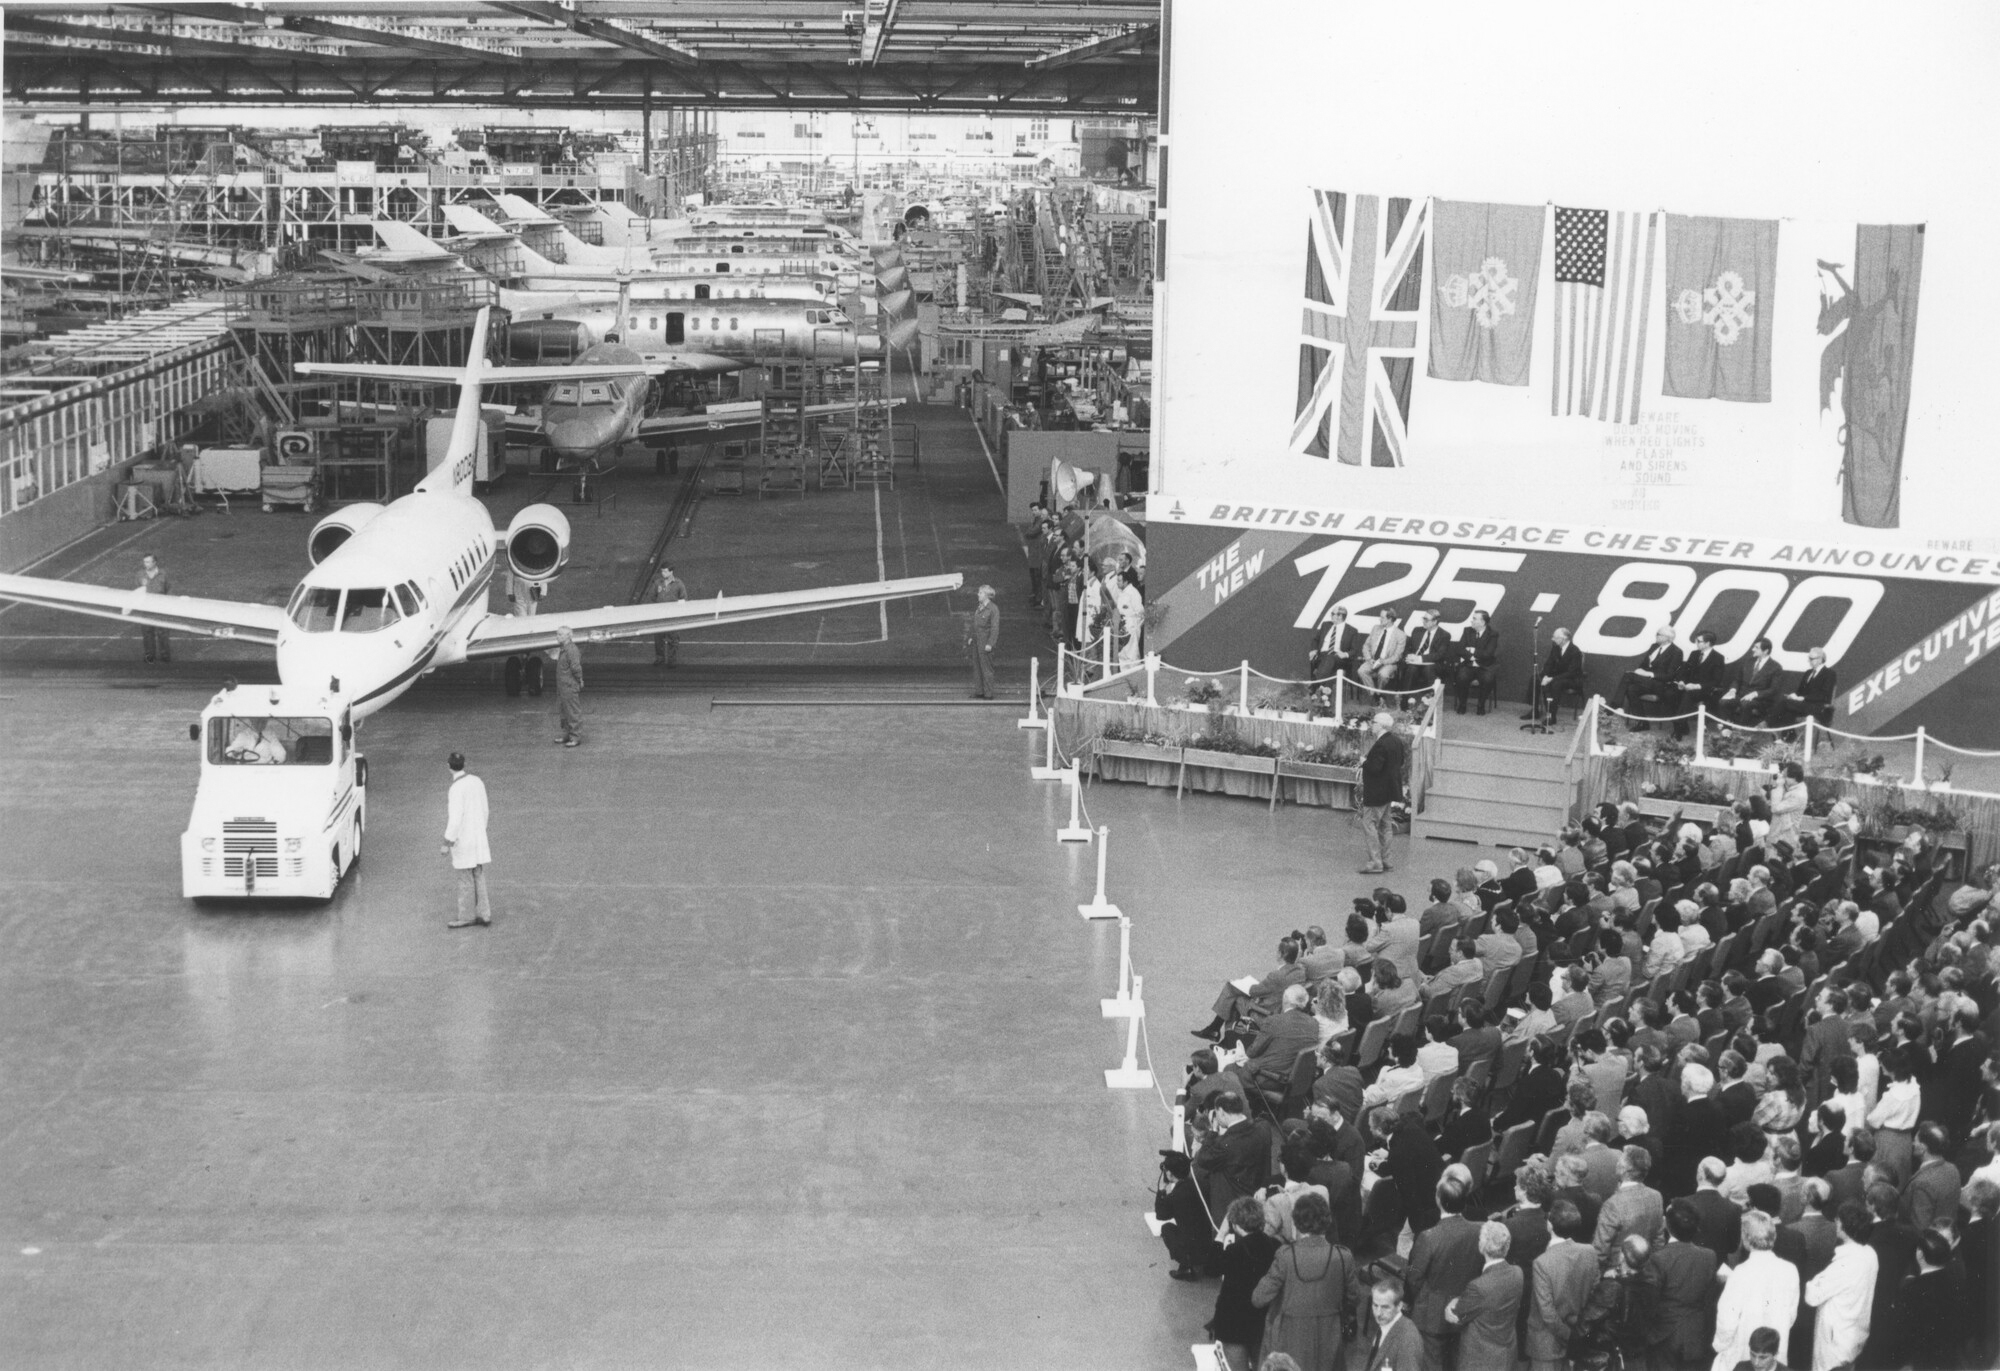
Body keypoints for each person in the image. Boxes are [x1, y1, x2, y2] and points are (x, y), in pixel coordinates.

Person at [1252, 1191, 1359, 1371]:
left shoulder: (1285, 1255)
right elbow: (1354, 1297)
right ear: (1327, 1221)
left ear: (1296, 1222)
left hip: (1291, 1336)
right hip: (1329, 1334)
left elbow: (1258, 1298)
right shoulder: (1343, 1256)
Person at [1408, 1167, 1484, 1371]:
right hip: (1463, 1304)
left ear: (1439, 1199)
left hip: (1431, 1313)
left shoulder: (1429, 1237)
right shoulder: (1479, 1229)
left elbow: (1414, 1278)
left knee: (1432, 1361)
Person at [1712, 1211, 1800, 1371]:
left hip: (1743, 1350)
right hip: (1774, 1351)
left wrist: (1720, 1345)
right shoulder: (1790, 1270)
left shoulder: (1740, 1272)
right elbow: (1791, 1315)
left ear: (1746, 1238)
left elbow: (1727, 1319)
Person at [1525, 1200, 1598, 1371]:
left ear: (1549, 1225)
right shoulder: (1590, 1252)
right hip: (1577, 1335)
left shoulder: (1542, 1263)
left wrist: (1569, 1336)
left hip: (1546, 1346)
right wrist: (1576, 1334)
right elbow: (1595, 1292)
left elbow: (1548, 1314)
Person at [1210, 1196, 1281, 1369]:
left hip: (1233, 1323)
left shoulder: (1234, 1250)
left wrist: (1221, 1234)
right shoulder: (1275, 1245)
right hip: (1262, 1321)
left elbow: (1211, 1268)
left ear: (1235, 1224)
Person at [1801, 1202, 1874, 1371]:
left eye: (1838, 1220)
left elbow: (1812, 1297)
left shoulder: (1845, 1263)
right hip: (1855, 1331)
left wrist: (1813, 1281)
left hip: (1835, 1337)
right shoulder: (1870, 1254)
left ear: (1844, 1225)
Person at [1653, 1199, 1722, 1371]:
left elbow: (1652, 1299)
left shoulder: (1658, 1258)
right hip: (1697, 1333)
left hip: (1665, 1334)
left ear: (1667, 1226)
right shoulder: (1709, 1256)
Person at [1444, 1221, 1521, 1371]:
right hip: (1506, 1356)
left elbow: (1457, 1315)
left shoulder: (1478, 1286)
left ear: (1483, 1246)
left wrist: (1453, 1301)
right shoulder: (1518, 1273)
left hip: (1480, 1361)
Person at [441, 751, 493, 929]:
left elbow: (455, 819)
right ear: (464, 764)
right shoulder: (477, 781)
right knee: (478, 874)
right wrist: (480, 830)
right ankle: (484, 913)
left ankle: (466, 915)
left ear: (449, 767)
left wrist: (447, 842)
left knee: (465, 879)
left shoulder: (455, 789)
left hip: (464, 840)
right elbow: (486, 809)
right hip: (478, 837)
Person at [1357, 712, 1405, 875]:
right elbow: (1401, 762)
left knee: (1368, 823)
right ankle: (1387, 860)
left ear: (1381, 725)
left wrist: (1364, 762)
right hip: (1390, 790)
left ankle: (1375, 861)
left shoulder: (1380, 744)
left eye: (1374, 722)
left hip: (1377, 791)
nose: (1372, 725)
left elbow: (1375, 768)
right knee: (1385, 826)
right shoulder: (1396, 741)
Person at [1611, 626, 1685, 728]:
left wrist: (1650, 674)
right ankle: (1643, 723)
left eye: (1658, 634)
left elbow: (1670, 675)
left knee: (1628, 675)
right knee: (1632, 689)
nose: (1656, 636)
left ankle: (1614, 706)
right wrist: (1640, 670)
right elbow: (1643, 665)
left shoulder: (1676, 652)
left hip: (1661, 685)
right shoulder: (1654, 647)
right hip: (1646, 682)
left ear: (1668, 638)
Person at [1676, 630, 1728, 739]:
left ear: (1708, 643)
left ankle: (1678, 729)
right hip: (1688, 687)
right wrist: (1681, 681)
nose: (1696, 643)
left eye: (1699, 641)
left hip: (1706, 690)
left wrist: (1697, 686)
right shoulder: (1694, 654)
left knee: (1688, 695)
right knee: (1671, 692)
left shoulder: (1718, 658)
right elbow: (1684, 671)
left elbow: (1716, 681)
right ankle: (1682, 725)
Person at [1364, 1278, 1424, 1371]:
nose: (1378, 1313)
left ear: (1399, 1306)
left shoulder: (1408, 1340)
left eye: (1385, 1307)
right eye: (1375, 1305)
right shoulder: (1386, 1323)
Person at [1719, 637, 1781, 724]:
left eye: (1756, 648)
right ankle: (1726, 727)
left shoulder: (1775, 667)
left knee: (1746, 704)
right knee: (1723, 701)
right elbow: (1737, 680)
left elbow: (1773, 689)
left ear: (1766, 651)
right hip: (1741, 696)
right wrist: (1733, 690)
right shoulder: (1747, 662)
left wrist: (1755, 694)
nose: (1753, 649)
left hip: (1760, 700)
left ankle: (1741, 730)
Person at [1531, 626, 1583, 726]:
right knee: (1535, 678)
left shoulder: (1575, 652)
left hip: (1571, 680)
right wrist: (1544, 676)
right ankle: (1534, 710)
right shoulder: (1555, 648)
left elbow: (1571, 673)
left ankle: (1551, 716)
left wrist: (1551, 679)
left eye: (1554, 637)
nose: (1552, 639)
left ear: (1563, 639)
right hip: (1555, 677)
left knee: (1556, 684)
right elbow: (1549, 664)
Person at [1771, 648, 1837, 727]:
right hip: (1805, 706)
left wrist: (1803, 698)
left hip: (1819, 708)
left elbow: (1824, 695)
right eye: (1809, 658)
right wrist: (1794, 696)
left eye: (1811, 659)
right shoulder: (1808, 673)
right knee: (1787, 707)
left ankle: (1767, 725)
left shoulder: (1829, 673)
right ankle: (1789, 738)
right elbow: (1799, 692)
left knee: (1785, 703)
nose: (1808, 661)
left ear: (1820, 659)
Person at [1453, 609, 1499, 715]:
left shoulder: (1493, 634)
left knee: (1488, 679)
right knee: (1461, 677)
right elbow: (1459, 649)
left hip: (1485, 666)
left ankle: (1481, 705)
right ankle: (1462, 704)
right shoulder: (1467, 630)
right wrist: (1472, 657)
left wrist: (1472, 650)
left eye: (1474, 619)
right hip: (1469, 664)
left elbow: (1488, 653)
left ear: (1482, 622)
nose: (1471, 621)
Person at [1357, 608, 1408, 696]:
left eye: (1382, 617)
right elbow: (1366, 646)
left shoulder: (1400, 635)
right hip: (1372, 660)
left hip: (1389, 663)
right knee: (1361, 671)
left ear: (1390, 619)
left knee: (1383, 674)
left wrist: (1383, 661)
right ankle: (1374, 695)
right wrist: (1369, 658)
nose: (1380, 619)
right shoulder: (1376, 628)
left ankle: (1380, 693)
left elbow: (1397, 656)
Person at [646, 563, 688, 666]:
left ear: (671, 572)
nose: (663, 573)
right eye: (662, 571)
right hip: (659, 616)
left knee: (673, 639)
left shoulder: (678, 584)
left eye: (665, 571)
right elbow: (651, 597)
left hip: (672, 616)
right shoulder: (657, 583)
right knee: (658, 639)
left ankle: (671, 660)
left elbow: (684, 599)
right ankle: (660, 658)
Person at [1310, 606, 1361, 688]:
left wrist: (1345, 654)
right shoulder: (1325, 625)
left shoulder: (1352, 631)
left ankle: (1314, 686)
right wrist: (1313, 650)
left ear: (1340, 616)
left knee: (1330, 659)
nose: (1331, 616)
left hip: (1339, 658)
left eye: (1332, 614)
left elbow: (1355, 650)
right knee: (1330, 667)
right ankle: (1325, 696)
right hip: (1322, 656)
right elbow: (1315, 639)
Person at [550, 625, 584, 747]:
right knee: (564, 712)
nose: (557, 637)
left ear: (568, 636)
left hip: (569, 686)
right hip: (563, 686)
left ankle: (575, 737)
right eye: (557, 634)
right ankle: (567, 734)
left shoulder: (571, 650)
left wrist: (579, 679)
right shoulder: (563, 649)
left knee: (572, 712)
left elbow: (576, 667)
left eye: (560, 634)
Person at [136, 552, 171, 662]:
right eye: (145, 562)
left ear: (155, 562)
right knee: (147, 633)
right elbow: (137, 590)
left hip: (160, 608)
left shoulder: (163, 574)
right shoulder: (140, 575)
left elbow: (169, 589)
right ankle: (149, 656)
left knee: (163, 632)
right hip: (146, 608)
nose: (146, 564)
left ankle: (165, 656)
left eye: (148, 562)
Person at [967, 583, 1000, 698]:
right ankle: (979, 691)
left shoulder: (993, 609)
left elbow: (995, 628)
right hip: (977, 641)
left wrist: (990, 643)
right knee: (977, 667)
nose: (978, 595)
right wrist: (972, 636)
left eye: (980, 593)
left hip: (985, 642)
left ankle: (988, 693)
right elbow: (975, 624)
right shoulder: (980, 607)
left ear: (986, 595)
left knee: (986, 668)